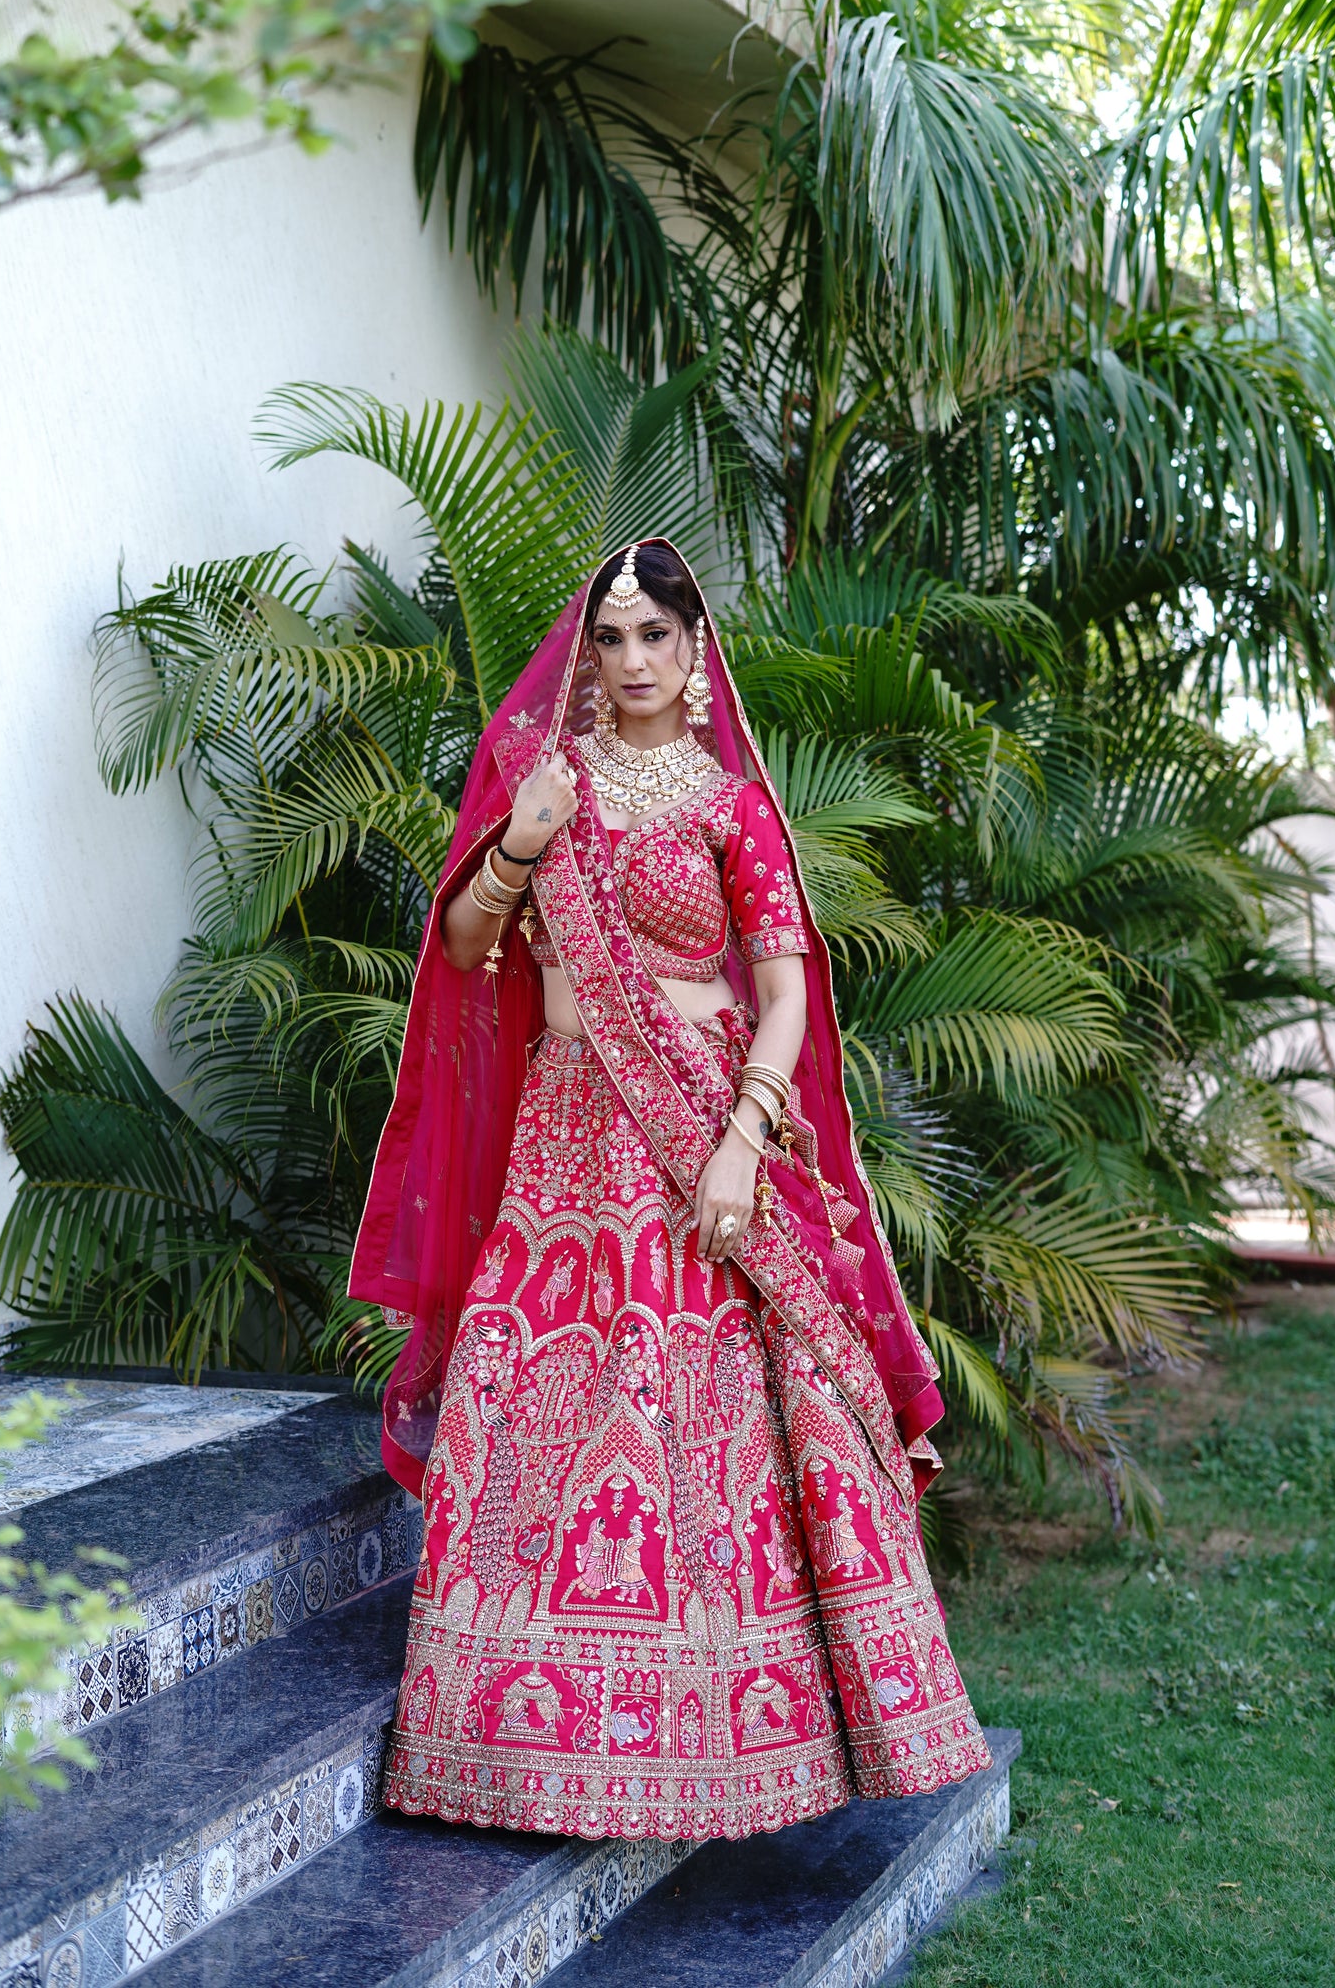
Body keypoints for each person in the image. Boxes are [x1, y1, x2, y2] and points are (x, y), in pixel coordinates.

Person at [349, 539, 990, 1843]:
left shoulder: (729, 803)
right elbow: (469, 951)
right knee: (536, 1390)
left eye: (655, 637)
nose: (633, 661)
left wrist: (745, 1139)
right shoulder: (550, 781)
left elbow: (783, 991)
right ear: (587, 653)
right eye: (613, 637)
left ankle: (731, 1727)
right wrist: (521, 841)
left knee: (698, 1410)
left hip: (697, 1121)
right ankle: (518, 1734)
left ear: (694, 651)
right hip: (564, 1132)